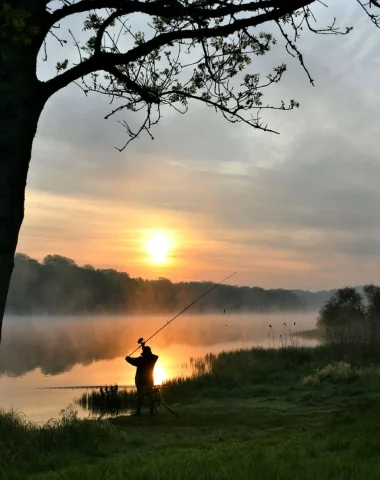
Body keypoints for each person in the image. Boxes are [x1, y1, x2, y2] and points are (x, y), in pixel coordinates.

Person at [125, 345, 159, 416]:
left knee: (140, 397)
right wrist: (144, 348)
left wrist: (127, 358)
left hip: (141, 382)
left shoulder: (141, 360)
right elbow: (154, 356)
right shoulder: (152, 359)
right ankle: (151, 412)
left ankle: (138, 412)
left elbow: (132, 360)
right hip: (149, 381)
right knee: (150, 396)